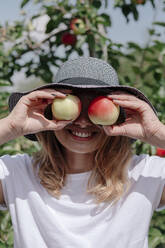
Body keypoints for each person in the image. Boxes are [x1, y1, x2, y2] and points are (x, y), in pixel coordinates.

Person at [0, 57, 165, 248]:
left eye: (95, 108)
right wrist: (10, 126)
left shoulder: (146, 174)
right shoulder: (16, 174)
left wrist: (157, 133)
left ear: (117, 117)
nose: (83, 122)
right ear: (50, 110)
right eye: (74, 108)